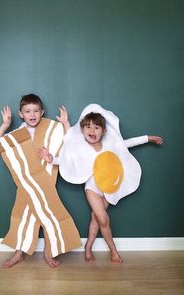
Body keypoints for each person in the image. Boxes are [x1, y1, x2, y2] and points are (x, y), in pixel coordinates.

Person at [40, 104, 163, 264]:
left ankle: (88, 246)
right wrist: (53, 155)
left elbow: (128, 143)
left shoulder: (110, 145)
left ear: (103, 131)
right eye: (88, 127)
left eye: (96, 127)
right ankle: (114, 251)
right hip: (92, 189)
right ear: (82, 130)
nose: (92, 130)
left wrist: (147, 138)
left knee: (96, 219)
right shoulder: (81, 147)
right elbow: (67, 156)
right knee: (103, 220)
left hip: (108, 189)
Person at [0, 94, 81, 269]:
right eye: (27, 111)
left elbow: (71, 142)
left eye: (35, 111)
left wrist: (65, 123)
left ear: (42, 112)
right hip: (26, 183)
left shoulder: (52, 129)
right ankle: (19, 253)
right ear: (21, 114)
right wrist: (5, 124)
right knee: (23, 216)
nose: (32, 114)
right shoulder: (18, 133)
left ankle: (49, 253)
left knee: (50, 215)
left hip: (46, 180)